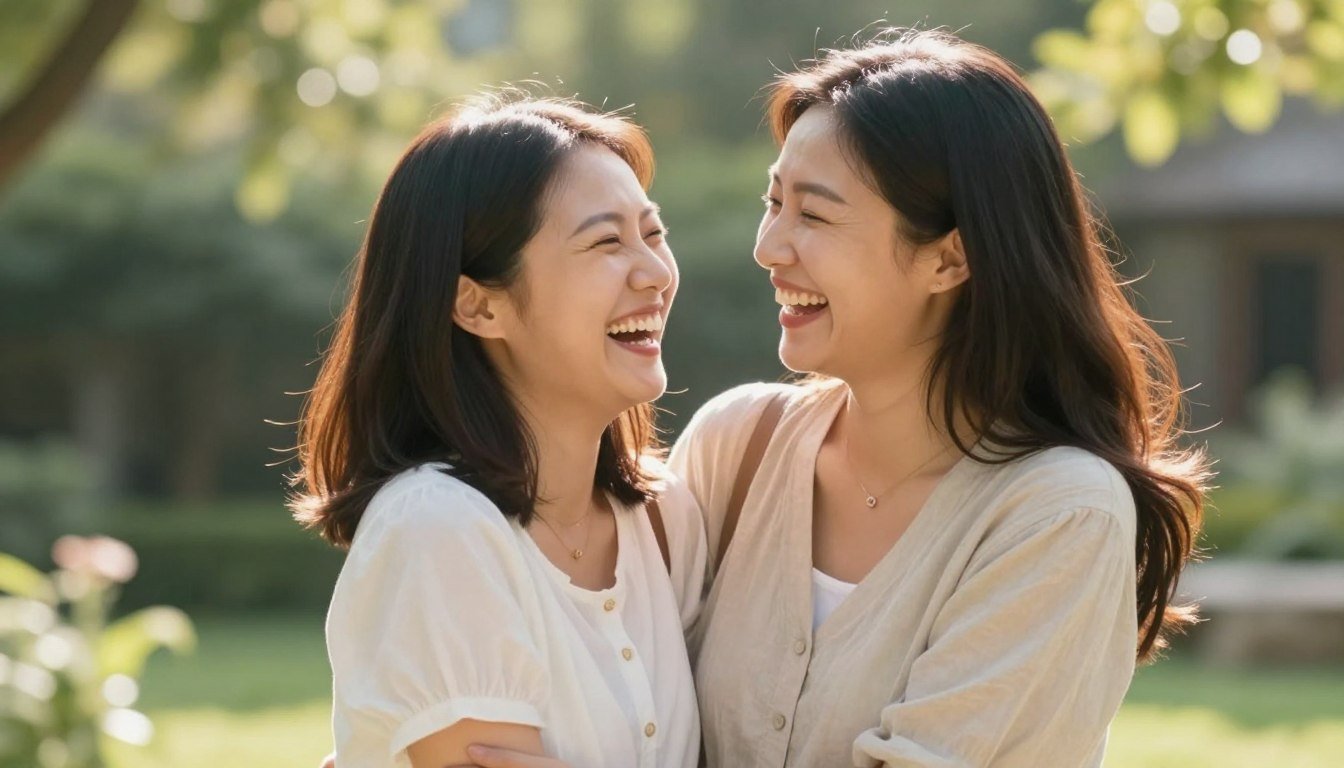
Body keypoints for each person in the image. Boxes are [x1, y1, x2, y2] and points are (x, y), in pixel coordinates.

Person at [665, 28, 1210, 767]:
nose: (769, 245)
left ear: (950, 258)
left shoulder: (1058, 514)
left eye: (814, 215)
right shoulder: (736, 445)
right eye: (774, 201)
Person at [291, 94, 705, 768]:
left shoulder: (665, 521)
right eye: (606, 241)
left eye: (653, 234)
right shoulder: (437, 528)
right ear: (478, 304)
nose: (655, 273)